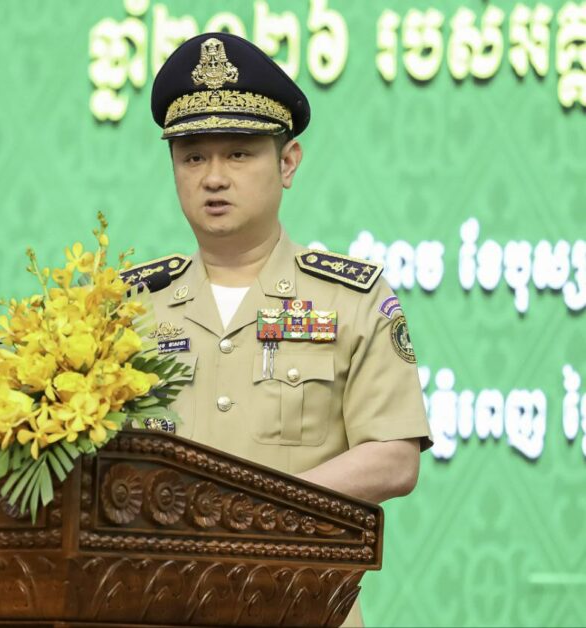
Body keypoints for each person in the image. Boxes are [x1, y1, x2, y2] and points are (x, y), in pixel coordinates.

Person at [123, 32, 433, 628]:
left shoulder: (352, 298)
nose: (214, 178)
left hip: (301, 608)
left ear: (287, 163)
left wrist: (253, 510)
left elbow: (395, 459)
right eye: (193, 157)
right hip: (156, 607)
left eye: (239, 154)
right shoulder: (127, 308)